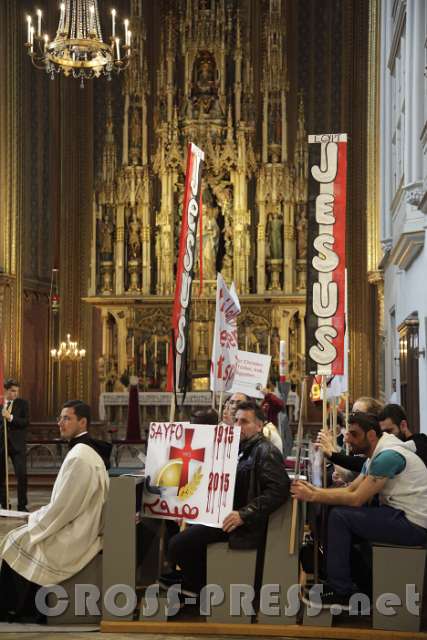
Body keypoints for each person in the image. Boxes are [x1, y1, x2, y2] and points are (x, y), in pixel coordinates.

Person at [292, 411, 427, 609]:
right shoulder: (377, 453)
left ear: (371, 435)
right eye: (348, 433)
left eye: (353, 434)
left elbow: (356, 499)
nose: (347, 439)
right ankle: (360, 584)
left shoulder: (388, 455)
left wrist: (313, 495)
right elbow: (351, 488)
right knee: (333, 511)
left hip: (414, 525)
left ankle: (341, 591)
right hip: (399, 515)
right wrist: (314, 490)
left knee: (340, 517)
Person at [160, 401, 290, 595]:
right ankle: (191, 577)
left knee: (178, 544)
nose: (238, 426)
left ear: (259, 425)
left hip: (241, 524)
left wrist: (244, 515)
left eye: (245, 422)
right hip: (224, 514)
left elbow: (279, 490)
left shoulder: (265, 451)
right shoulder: (240, 447)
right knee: (171, 524)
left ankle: (199, 586)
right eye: (236, 421)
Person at [0, 400, 110, 622]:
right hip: (79, 522)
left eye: (67, 418)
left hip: (79, 531)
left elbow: (64, 508)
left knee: (15, 539)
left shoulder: (80, 457)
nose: (60, 423)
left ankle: (20, 610)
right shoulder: (84, 451)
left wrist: (35, 519)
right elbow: (66, 503)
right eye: (60, 418)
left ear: (83, 422)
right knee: (19, 538)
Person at [0, 378, 29, 511]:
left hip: (17, 446)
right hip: (3, 445)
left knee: (21, 475)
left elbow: (25, 422)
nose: (15, 394)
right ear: (5, 390)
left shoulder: (23, 404)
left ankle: (22, 506)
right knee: (1, 476)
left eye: (17, 391)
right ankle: (4, 504)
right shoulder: (0, 404)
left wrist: (10, 417)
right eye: (12, 391)